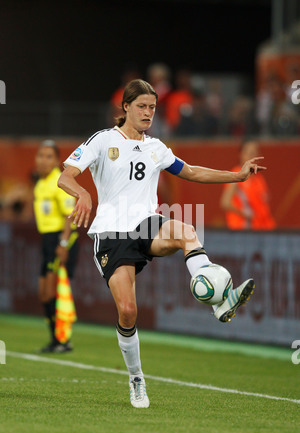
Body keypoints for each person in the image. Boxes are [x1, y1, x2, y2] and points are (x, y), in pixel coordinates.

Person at [58, 79, 266, 408]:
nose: (148, 112)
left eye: (152, 107)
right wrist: (82, 192)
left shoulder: (156, 147)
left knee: (185, 232)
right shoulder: (103, 140)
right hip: (111, 233)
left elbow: (193, 172)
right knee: (128, 311)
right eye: (141, 106)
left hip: (145, 223)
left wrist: (237, 176)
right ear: (125, 107)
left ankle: (218, 302)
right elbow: (65, 175)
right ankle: (136, 378)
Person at [33, 140, 79, 353]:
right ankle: (55, 339)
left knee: (54, 291)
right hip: (47, 240)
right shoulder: (40, 183)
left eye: (48, 156)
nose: (43, 160)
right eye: (41, 155)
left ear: (56, 161)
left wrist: (62, 243)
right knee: (44, 294)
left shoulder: (58, 182)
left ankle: (63, 340)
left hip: (61, 238)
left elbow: (70, 215)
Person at [220, 139, 276, 230]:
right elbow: (225, 202)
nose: (252, 156)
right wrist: (245, 214)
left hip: (263, 228)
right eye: (249, 153)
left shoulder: (259, 178)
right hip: (244, 229)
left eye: (255, 153)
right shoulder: (236, 174)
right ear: (241, 154)